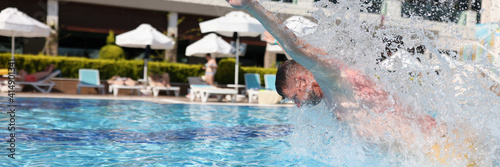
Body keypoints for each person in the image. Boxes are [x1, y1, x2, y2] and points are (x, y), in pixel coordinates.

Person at [226, 0, 480, 165]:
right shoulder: (330, 95)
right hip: (434, 150)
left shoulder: (332, 77)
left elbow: (297, 46)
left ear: (303, 80)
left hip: (442, 152)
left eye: (294, 97)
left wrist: (251, 7)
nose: (298, 106)